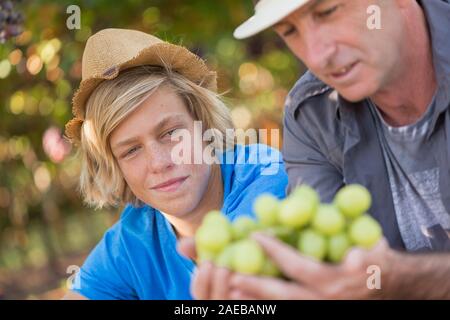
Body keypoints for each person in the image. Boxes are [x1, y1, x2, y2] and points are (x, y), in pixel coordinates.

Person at [180, 0, 450, 299]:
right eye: (290, 30)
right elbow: (327, 259)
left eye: (328, 12)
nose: (317, 56)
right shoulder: (310, 113)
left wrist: (402, 278)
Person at [62, 28, 288, 300]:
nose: (159, 163)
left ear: (202, 123)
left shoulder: (264, 177)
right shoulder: (133, 239)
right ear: (115, 166)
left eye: (171, 133)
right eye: (132, 150)